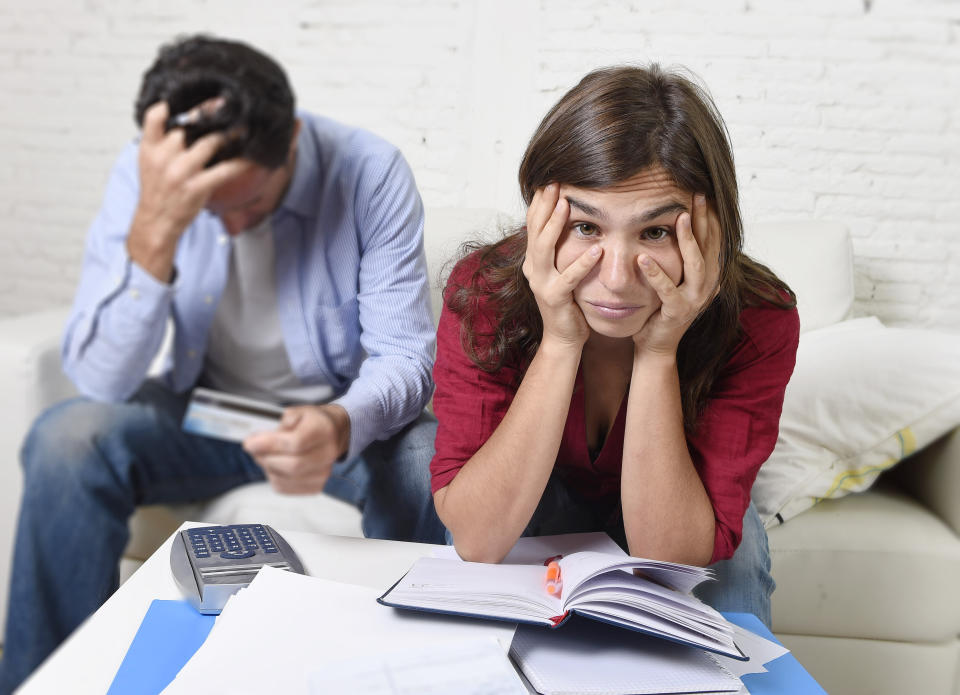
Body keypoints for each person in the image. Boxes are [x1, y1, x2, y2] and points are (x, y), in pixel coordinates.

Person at [0, 35, 443, 692]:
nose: (231, 227)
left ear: (290, 140)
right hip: (203, 409)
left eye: (251, 203)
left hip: (333, 412)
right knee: (66, 439)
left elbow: (405, 358)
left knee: (427, 457)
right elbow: (102, 380)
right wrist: (155, 230)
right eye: (211, 209)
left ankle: (413, 672)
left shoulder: (368, 170)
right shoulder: (147, 173)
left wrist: (339, 422)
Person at [430, 65, 799, 628]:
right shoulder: (484, 290)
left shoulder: (758, 316)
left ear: (711, 227)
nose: (620, 278)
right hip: (534, 489)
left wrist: (658, 352)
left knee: (735, 544)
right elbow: (478, 539)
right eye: (586, 227)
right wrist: (559, 340)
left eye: (655, 232)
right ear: (540, 215)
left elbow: (670, 558)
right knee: (416, 459)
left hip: (671, 499)